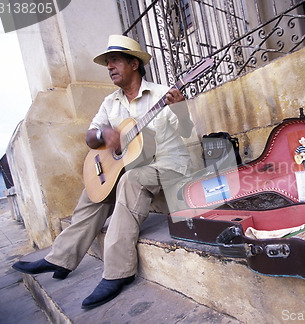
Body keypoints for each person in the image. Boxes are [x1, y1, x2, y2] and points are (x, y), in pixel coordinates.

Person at [12, 35, 193, 309]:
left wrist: (179, 107)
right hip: (133, 166)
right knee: (94, 191)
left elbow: (186, 131)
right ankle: (60, 258)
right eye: (108, 63)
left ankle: (119, 272)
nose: (110, 67)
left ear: (134, 64)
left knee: (131, 179)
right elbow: (90, 137)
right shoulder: (111, 103)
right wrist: (103, 134)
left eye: (116, 61)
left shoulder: (161, 94)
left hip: (168, 166)